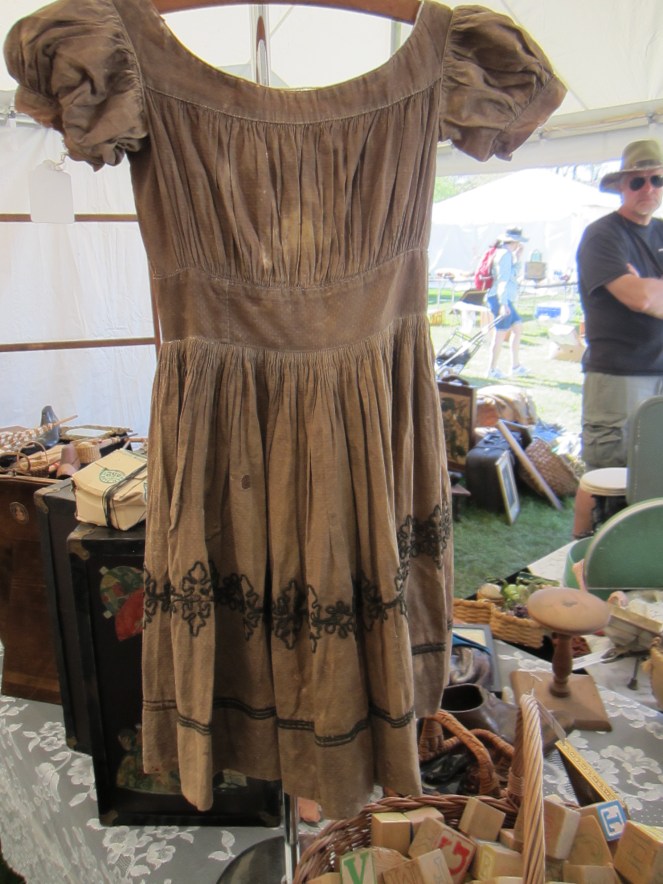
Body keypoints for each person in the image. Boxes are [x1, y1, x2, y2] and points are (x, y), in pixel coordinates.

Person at [573, 138, 663, 536]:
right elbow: (639, 296)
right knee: (611, 485)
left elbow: (647, 295)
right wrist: (645, 291)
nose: (649, 189)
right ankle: (591, 571)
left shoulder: (658, 231)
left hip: (657, 375)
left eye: (657, 180)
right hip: (618, 378)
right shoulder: (603, 235)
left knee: (651, 481)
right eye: (638, 181)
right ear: (622, 186)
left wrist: (648, 290)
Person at [486, 227, 529, 379]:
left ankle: (515, 366)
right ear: (515, 241)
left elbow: (512, 274)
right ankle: (492, 369)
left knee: (518, 328)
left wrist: (517, 258)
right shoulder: (504, 255)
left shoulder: (506, 253)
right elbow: (504, 280)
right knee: (500, 334)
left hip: (504, 298)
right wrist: (503, 304)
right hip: (500, 299)